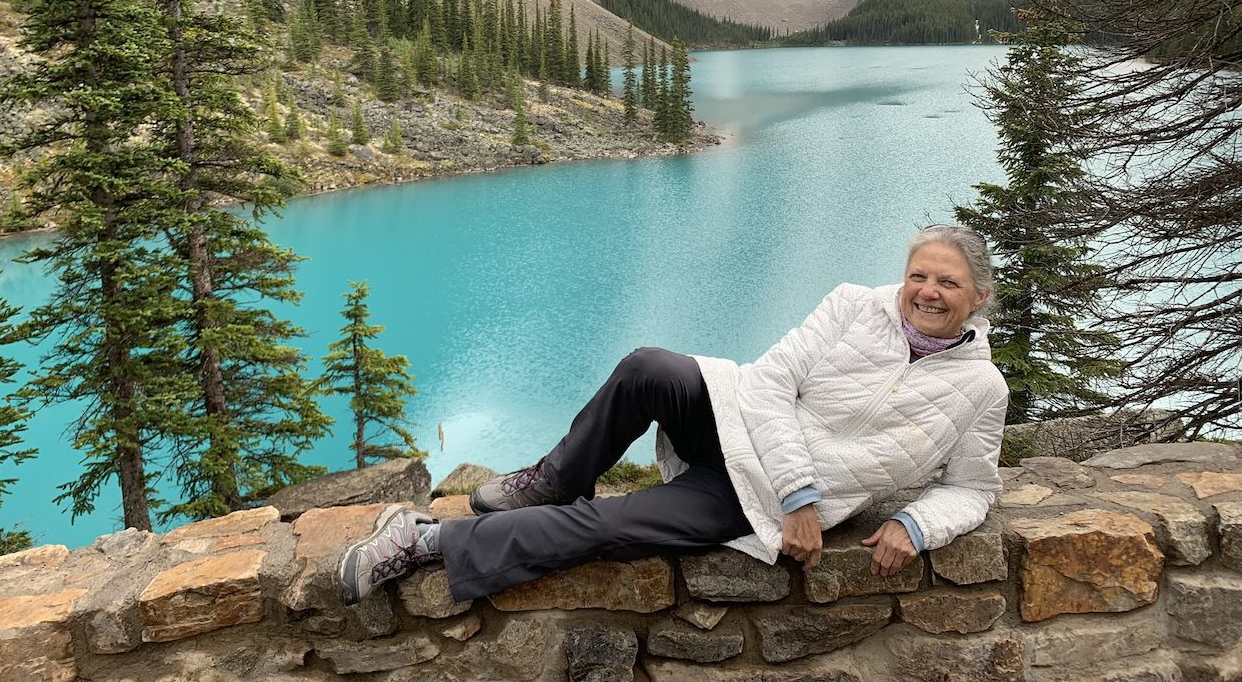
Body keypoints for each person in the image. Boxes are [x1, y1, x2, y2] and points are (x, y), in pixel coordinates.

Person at [336, 224, 1009, 606]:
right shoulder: (854, 304)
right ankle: (553, 478)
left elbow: (973, 488)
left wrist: (917, 523)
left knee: (608, 526)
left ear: (977, 298)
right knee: (649, 367)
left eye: (947, 283)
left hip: (756, 501)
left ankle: (420, 541)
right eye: (918, 275)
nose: (925, 292)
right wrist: (804, 493)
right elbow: (772, 383)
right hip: (740, 420)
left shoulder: (982, 389)